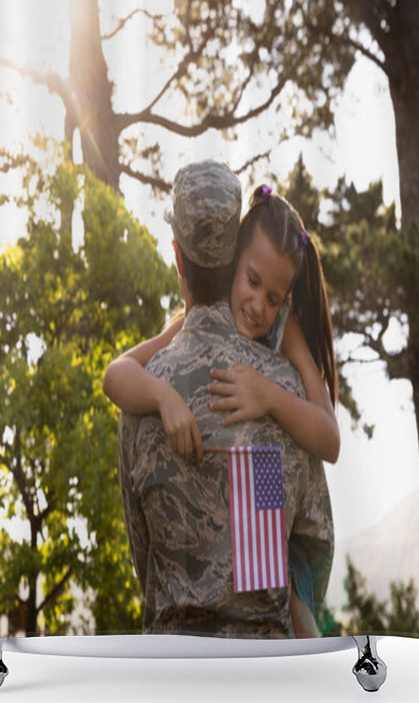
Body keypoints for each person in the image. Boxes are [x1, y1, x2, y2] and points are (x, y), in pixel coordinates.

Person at [105, 183, 340, 636]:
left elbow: (329, 437)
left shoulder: (284, 342)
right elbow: (116, 372)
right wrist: (163, 397)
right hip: (258, 631)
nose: (258, 306)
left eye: (274, 298)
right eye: (251, 282)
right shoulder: (178, 338)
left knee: (287, 586)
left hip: (203, 624)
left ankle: (314, 662)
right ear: (232, 262)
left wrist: (269, 396)